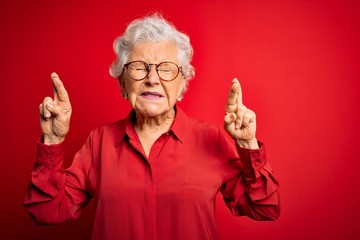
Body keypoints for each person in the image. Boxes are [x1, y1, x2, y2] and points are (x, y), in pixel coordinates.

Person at [23, 14, 280, 240]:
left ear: (182, 85)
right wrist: (52, 140)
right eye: (138, 68)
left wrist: (247, 144)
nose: (152, 79)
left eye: (166, 69)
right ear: (123, 83)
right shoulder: (99, 141)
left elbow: (264, 208)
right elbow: (46, 211)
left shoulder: (209, 138)